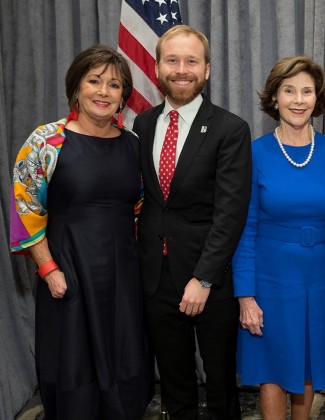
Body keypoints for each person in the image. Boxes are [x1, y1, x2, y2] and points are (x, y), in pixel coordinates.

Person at [10, 45, 152, 419]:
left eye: (115, 85)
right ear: (77, 87)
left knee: (125, 360)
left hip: (123, 274)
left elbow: (138, 209)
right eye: (94, 81)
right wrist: (48, 270)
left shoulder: (133, 145)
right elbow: (25, 211)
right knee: (73, 364)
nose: (104, 92)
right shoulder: (46, 141)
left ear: (124, 97)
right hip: (68, 272)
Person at [133, 25, 252, 419]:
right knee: (174, 383)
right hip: (156, 275)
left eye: (191, 61)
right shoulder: (143, 125)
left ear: (207, 70)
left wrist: (203, 279)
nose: (181, 69)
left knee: (219, 386)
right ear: (156, 68)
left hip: (209, 280)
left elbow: (230, 213)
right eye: (172, 60)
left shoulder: (230, 129)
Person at [232, 55, 325, 419]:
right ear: (274, 98)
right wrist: (245, 295)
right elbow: (245, 227)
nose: (299, 99)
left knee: (307, 367)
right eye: (289, 91)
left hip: (321, 277)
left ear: (318, 99)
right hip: (270, 276)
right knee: (271, 369)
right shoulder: (254, 153)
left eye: (307, 91)